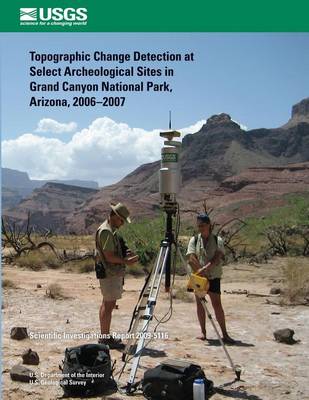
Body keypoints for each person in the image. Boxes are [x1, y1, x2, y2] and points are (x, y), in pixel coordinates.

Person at [186, 213, 235, 344]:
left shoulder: (217, 240)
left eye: (202, 225)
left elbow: (218, 257)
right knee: (200, 304)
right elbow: (191, 257)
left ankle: (225, 334)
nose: (200, 228)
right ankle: (203, 332)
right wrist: (200, 271)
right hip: (199, 277)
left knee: (217, 305)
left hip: (213, 277)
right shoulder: (194, 240)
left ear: (209, 225)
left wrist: (206, 269)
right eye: (199, 226)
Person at [95, 202, 139, 349]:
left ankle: (105, 336)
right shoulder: (106, 231)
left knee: (108, 303)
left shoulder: (110, 230)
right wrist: (125, 261)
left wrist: (125, 254)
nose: (122, 224)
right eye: (121, 220)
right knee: (108, 305)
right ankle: (105, 338)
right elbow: (108, 256)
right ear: (115, 216)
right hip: (109, 272)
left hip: (110, 272)